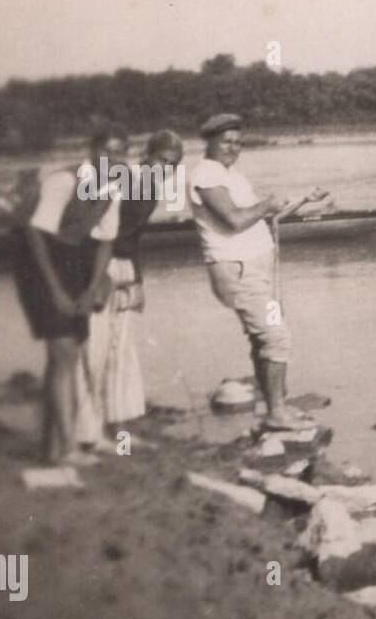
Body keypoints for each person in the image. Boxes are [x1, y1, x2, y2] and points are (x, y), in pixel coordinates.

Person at [187, 113, 327, 430]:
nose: (233, 147)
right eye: (226, 141)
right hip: (237, 270)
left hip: (255, 268)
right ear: (209, 141)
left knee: (261, 338)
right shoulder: (206, 175)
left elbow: (262, 218)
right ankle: (277, 413)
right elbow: (234, 220)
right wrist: (266, 203)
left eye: (238, 142)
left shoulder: (230, 174)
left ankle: (274, 409)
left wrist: (304, 200)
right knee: (276, 337)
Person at [14, 125, 127, 465]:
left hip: (76, 258)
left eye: (121, 152)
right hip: (38, 260)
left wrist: (92, 287)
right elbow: (36, 236)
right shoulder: (63, 181)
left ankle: (53, 447)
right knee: (62, 350)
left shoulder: (113, 188)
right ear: (92, 152)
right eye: (107, 151)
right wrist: (57, 292)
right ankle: (67, 449)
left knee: (68, 353)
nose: (114, 158)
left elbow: (106, 241)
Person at [75, 129, 185, 445]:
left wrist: (138, 281)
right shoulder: (125, 181)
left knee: (119, 349)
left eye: (173, 164)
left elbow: (133, 239)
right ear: (145, 155)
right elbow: (94, 233)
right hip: (97, 265)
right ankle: (88, 432)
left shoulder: (152, 187)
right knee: (95, 348)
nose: (166, 169)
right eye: (162, 160)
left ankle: (117, 430)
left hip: (121, 266)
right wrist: (96, 279)